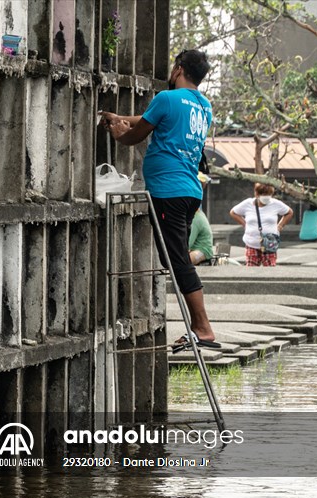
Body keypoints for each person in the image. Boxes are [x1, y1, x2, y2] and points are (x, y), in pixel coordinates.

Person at [100, 49, 219, 349]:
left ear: (178, 69)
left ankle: (203, 328)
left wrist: (117, 131)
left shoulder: (166, 99)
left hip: (168, 190)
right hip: (190, 191)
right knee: (172, 257)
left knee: (177, 260)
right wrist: (121, 117)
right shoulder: (204, 106)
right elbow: (148, 118)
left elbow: (135, 135)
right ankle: (199, 325)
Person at [230, 184, 292, 267]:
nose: (266, 197)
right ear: (257, 194)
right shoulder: (248, 203)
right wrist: (245, 224)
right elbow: (233, 212)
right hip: (252, 243)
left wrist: (280, 226)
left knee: (270, 268)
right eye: (264, 194)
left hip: (269, 243)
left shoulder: (275, 204)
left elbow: (289, 212)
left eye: (269, 194)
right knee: (251, 269)